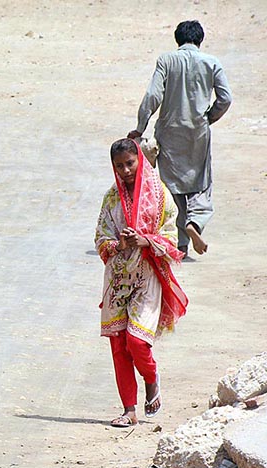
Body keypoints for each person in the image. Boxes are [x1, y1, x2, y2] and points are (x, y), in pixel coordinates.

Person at [95, 139, 188, 427]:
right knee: (119, 345)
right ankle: (129, 410)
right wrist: (117, 245)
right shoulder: (111, 198)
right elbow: (100, 237)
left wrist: (146, 240)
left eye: (129, 163)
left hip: (147, 276)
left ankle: (151, 377)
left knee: (137, 341)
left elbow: (172, 238)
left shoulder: (159, 194)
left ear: (140, 160)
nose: (125, 170)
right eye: (119, 166)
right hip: (118, 278)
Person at [128, 20, 232, 256]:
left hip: (169, 130)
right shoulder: (211, 62)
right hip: (198, 132)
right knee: (200, 183)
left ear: (178, 39)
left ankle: (180, 243)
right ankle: (194, 223)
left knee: (172, 186)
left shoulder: (166, 60)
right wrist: (208, 118)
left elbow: (152, 95)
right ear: (200, 40)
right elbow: (225, 98)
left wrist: (140, 126)